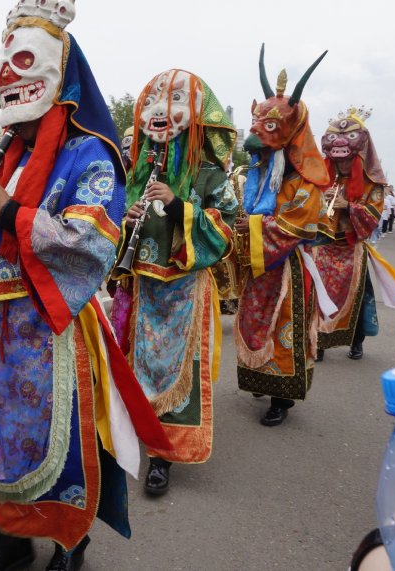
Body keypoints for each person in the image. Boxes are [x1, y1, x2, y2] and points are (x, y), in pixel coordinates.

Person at [0, 3, 171, 570]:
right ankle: (10, 540)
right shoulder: (8, 150)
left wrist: (9, 207)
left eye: (22, 63)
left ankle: (71, 539)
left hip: (53, 321)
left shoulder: (93, 155)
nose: (6, 79)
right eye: (1, 66)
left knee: (63, 440)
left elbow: (91, 241)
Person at [111, 69, 236, 495]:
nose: (160, 111)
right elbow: (115, 221)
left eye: (175, 99)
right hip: (142, 286)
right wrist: (122, 222)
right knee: (136, 364)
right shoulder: (139, 169)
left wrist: (180, 205)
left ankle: (164, 455)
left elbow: (227, 230)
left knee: (176, 373)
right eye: (151, 101)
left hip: (183, 289)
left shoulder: (210, 174)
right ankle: (133, 433)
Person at [233, 45, 330, 427]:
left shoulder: (307, 181)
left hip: (287, 266)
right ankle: (259, 377)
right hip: (260, 267)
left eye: (270, 127)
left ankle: (282, 397)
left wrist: (254, 227)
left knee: (284, 327)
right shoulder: (258, 175)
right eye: (258, 123)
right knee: (256, 322)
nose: (259, 134)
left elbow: (299, 223)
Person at [314, 107, 385, 361]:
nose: (341, 164)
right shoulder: (322, 179)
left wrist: (350, 207)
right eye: (338, 160)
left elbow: (374, 216)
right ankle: (319, 341)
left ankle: (356, 341)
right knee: (318, 294)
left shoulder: (372, 184)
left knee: (356, 296)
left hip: (351, 246)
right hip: (323, 245)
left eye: (345, 160)